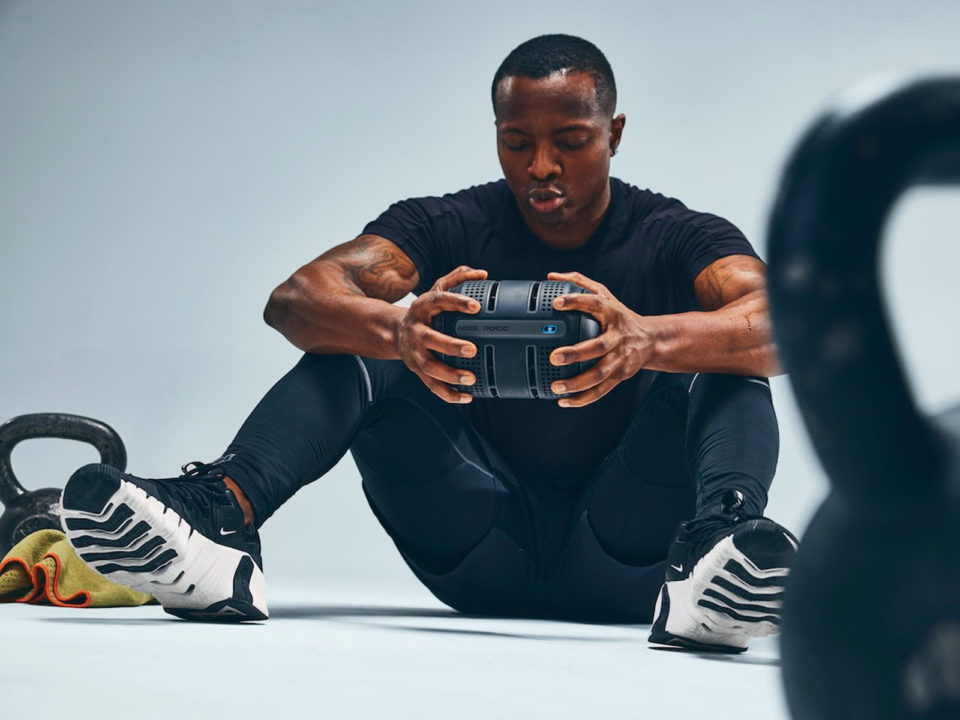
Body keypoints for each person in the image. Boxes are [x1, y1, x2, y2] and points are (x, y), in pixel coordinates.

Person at [60, 34, 796, 653]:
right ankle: (220, 519)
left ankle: (716, 555)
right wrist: (396, 331)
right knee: (363, 338)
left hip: (629, 554)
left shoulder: (677, 237)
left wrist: (646, 340)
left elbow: (782, 327)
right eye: (519, 143)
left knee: (722, 360)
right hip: (478, 543)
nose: (541, 168)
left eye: (570, 142)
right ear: (498, 137)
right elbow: (293, 300)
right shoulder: (447, 224)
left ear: (615, 132)